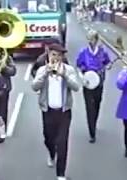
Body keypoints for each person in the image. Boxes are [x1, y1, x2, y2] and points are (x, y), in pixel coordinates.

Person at [32, 43, 80, 180]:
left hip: (64, 112)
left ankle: (61, 175)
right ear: (48, 54)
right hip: (48, 111)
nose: (56, 58)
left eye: (59, 55)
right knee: (49, 138)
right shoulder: (42, 70)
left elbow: (76, 87)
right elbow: (34, 87)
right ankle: (51, 153)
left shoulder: (68, 70)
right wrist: (45, 74)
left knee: (62, 142)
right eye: (54, 55)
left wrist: (64, 75)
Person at [76, 31, 112, 143]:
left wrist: (108, 66)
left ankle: (94, 122)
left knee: (97, 104)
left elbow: (108, 63)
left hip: (99, 83)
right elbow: (78, 67)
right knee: (89, 108)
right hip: (88, 84)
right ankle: (92, 133)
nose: (90, 41)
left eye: (91, 39)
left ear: (96, 40)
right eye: (88, 39)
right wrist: (82, 78)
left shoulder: (102, 52)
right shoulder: (83, 52)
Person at [0, 44, 17, 143]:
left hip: (3, 88)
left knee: (2, 111)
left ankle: (1, 133)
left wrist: (5, 68)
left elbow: (13, 71)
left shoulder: (7, 57)